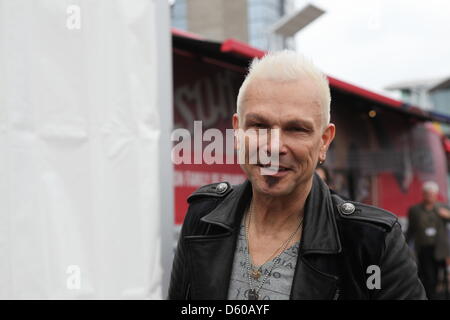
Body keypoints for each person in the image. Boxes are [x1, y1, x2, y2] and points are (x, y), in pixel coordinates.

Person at [168, 51, 425, 300]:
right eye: (259, 125)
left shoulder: (371, 241)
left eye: (296, 129)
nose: (274, 147)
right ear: (237, 133)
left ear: (324, 141)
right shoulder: (202, 217)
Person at [406, 181, 450, 299]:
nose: (430, 196)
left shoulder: (443, 207)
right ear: (423, 194)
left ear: (436, 195)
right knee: (427, 276)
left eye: (432, 194)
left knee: (442, 276)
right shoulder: (415, 210)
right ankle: (428, 296)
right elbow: (411, 229)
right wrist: (404, 244)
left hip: (440, 248)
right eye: (427, 194)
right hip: (424, 247)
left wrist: (448, 215)